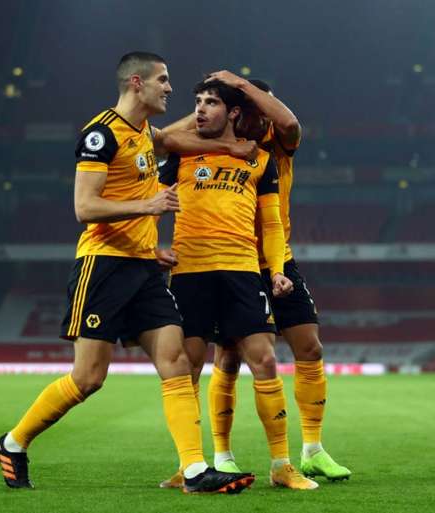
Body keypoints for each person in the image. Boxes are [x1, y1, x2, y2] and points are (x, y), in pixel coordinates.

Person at [0, 52, 254, 495]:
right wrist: (148, 207)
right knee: (88, 379)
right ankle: (13, 443)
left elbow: (176, 139)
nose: (171, 88)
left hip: (145, 268)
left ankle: (194, 471)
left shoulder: (142, 134)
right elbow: (84, 207)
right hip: (104, 266)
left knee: (177, 362)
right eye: (164, 80)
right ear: (138, 82)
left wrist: (228, 141)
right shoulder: (101, 134)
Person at [157, 79, 318, 490]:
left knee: (263, 360)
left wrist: (278, 267)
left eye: (211, 102)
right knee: (188, 367)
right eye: (197, 102)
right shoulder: (181, 154)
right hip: (190, 272)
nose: (200, 109)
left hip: (243, 270)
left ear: (232, 112)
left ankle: (281, 464)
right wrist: (150, 247)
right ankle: (190, 464)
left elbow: (270, 222)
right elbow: (151, 198)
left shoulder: (259, 159)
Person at [204, 70, 352, 482]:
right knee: (229, 357)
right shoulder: (215, 146)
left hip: (279, 260)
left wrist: (246, 84)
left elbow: (289, 123)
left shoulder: (279, 146)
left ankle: (313, 449)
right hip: (233, 262)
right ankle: (222, 454)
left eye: (265, 107)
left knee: (311, 348)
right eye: (254, 109)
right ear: (238, 112)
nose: (264, 117)